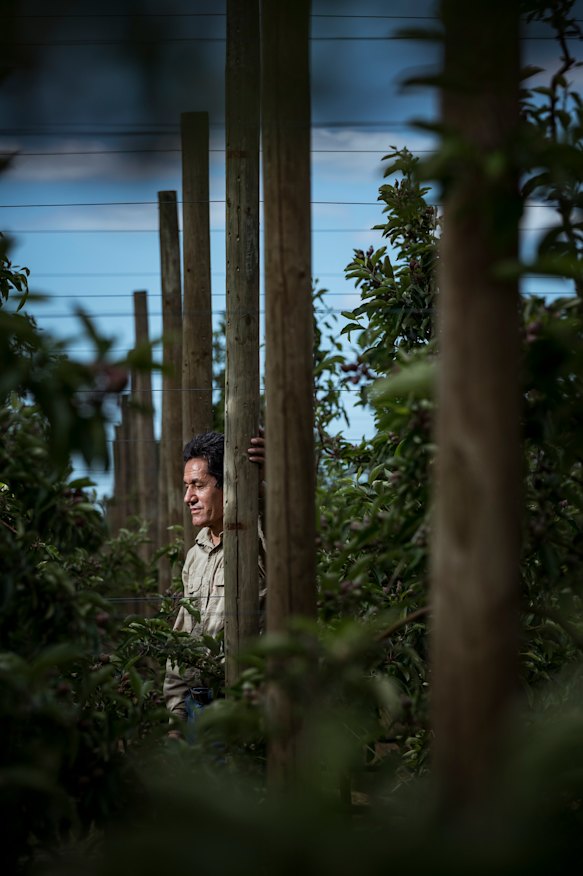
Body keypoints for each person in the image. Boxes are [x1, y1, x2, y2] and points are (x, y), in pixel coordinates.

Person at [163, 430, 265, 727]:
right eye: (186, 486)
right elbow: (183, 636)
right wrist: (176, 717)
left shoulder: (259, 540)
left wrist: (265, 484)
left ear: (228, 485)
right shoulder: (196, 554)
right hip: (197, 709)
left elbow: (291, 548)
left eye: (198, 485)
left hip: (245, 709)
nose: (188, 497)